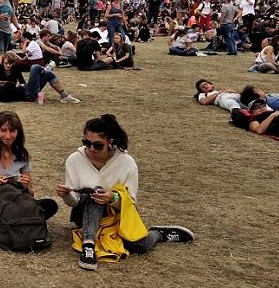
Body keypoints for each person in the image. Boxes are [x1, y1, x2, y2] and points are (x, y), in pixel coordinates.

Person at [55, 115, 194, 271]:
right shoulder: (75, 159)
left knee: (138, 245)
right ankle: (89, 246)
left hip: (116, 215)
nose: (91, 149)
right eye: (86, 143)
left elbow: (131, 202)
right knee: (94, 194)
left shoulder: (126, 162)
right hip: (84, 213)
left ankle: (158, 234)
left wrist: (112, 198)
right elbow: (74, 202)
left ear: (110, 142)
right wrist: (66, 194)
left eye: (98, 145)